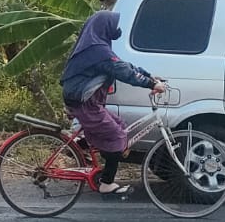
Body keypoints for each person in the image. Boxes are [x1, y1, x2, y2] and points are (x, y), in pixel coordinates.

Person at [60, 10, 166, 196]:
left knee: (119, 125)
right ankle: (106, 183)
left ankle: (81, 145)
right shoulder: (97, 50)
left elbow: (123, 65)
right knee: (116, 136)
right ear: (105, 27)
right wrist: (150, 84)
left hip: (89, 102)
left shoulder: (97, 47)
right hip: (85, 103)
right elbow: (122, 71)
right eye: (113, 25)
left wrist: (149, 76)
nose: (116, 29)